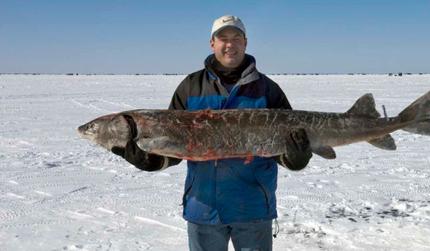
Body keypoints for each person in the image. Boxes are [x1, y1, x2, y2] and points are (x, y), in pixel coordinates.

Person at [114, 15, 312, 251]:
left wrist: (296, 158)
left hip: (253, 208)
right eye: (223, 38)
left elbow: (284, 147)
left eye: (236, 38)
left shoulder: (268, 89)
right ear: (212, 43)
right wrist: (151, 160)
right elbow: (173, 144)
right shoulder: (190, 86)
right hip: (203, 208)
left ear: (245, 43)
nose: (230, 44)